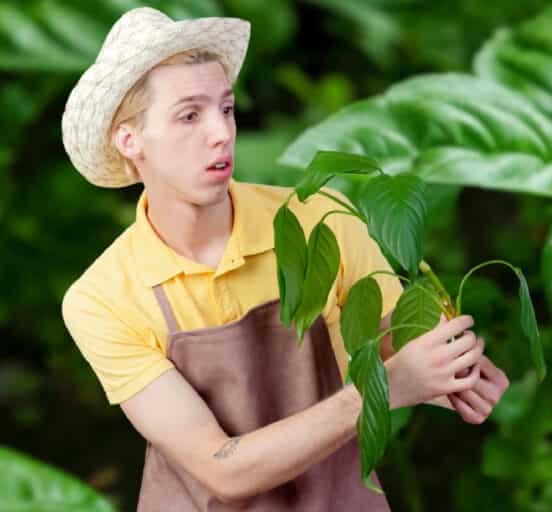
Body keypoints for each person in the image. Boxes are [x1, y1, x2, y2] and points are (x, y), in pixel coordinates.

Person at [59, 7, 509, 511]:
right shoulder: (102, 299)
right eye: (189, 115)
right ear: (130, 139)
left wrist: (451, 372)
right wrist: (382, 390)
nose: (220, 134)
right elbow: (220, 469)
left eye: (225, 109)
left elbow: (395, 352)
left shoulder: (320, 219)